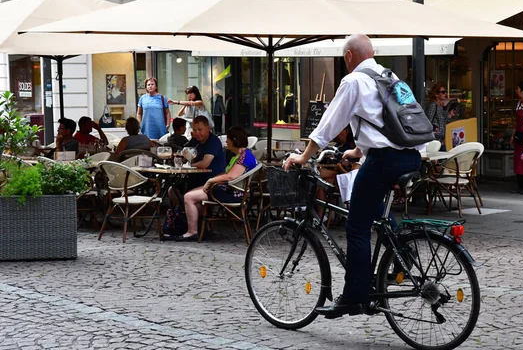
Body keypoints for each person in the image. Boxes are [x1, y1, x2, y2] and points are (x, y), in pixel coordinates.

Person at [284, 34, 423, 318]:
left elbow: (328, 124)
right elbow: (389, 119)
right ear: (372, 53)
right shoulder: (390, 75)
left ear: (349, 57)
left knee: (356, 227)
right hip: (411, 155)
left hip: (383, 160)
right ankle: (403, 254)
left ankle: (354, 297)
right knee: (373, 210)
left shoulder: (354, 81)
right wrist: (359, 151)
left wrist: (303, 157)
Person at [176, 126, 257, 242]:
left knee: (188, 197)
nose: (226, 142)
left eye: (228, 139)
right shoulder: (243, 155)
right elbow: (228, 173)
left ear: (233, 140)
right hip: (230, 189)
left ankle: (192, 232)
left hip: (231, 193)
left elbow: (231, 176)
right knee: (192, 194)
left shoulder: (244, 157)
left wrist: (210, 181)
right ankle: (200, 226)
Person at [425, 82, 456, 151]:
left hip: (440, 140)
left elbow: (442, 122)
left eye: (445, 92)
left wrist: (449, 115)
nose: (445, 94)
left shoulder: (439, 106)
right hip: (434, 141)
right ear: (436, 94)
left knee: (443, 159)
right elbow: (428, 121)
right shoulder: (433, 105)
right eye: (443, 92)